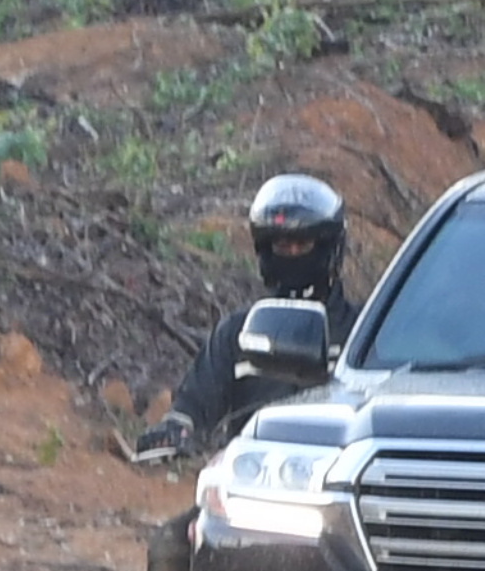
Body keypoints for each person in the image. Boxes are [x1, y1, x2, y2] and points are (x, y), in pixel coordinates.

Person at [141, 172, 355, 461]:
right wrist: (176, 429)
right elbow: (194, 405)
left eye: (303, 245)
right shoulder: (237, 333)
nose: (293, 254)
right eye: (282, 246)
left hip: (338, 475)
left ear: (330, 248)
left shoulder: (365, 331)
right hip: (254, 477)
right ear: (265, 251)